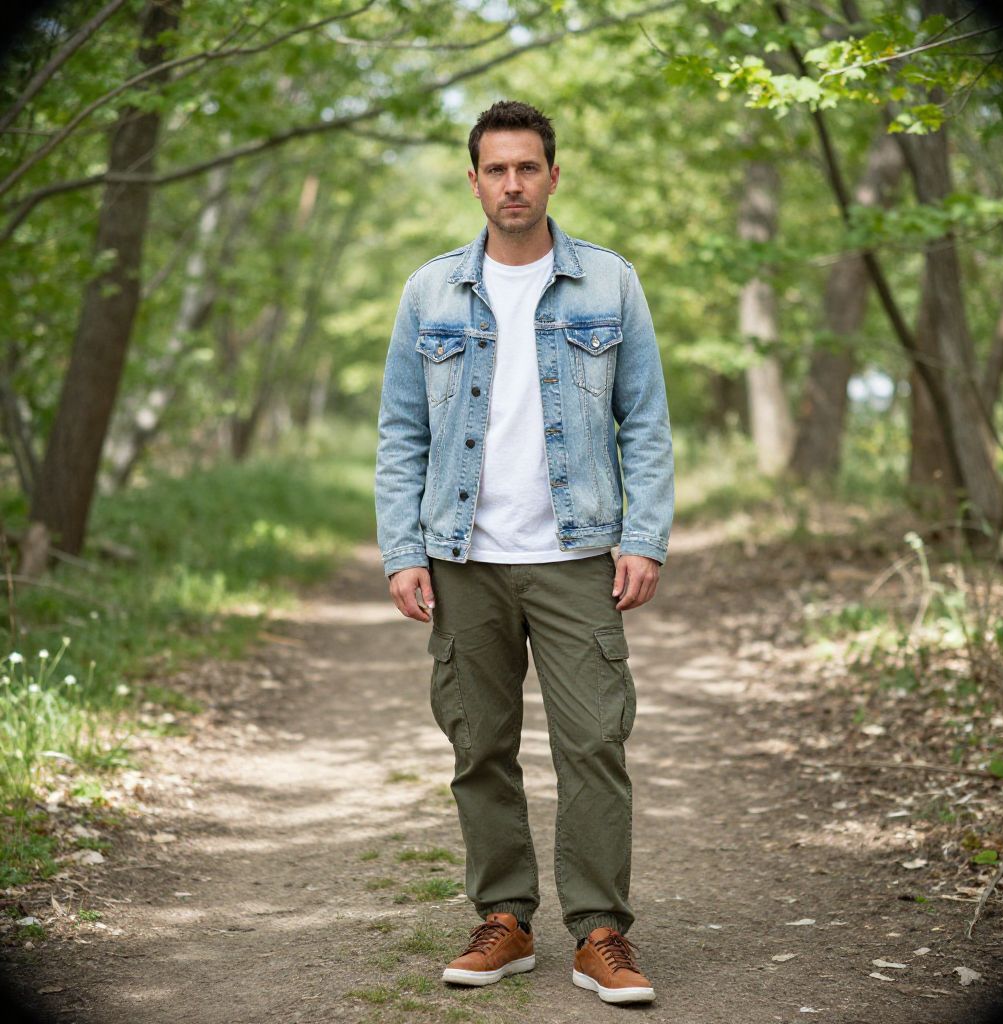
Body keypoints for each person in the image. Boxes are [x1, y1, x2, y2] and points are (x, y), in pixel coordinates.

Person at [374, 99, 674, 1006]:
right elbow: (401, 432)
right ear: (474, 180)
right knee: (479, 746)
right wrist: (403, 549)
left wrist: (644, 537)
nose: (513, 183)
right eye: (496, 169)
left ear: (553, 174)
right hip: (462, 556)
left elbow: (647, 423)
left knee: (593, 742)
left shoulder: (609, 283)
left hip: (577, 555)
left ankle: (600, 932)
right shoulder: (430, 292)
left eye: (528, 167)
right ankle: (503, 919)